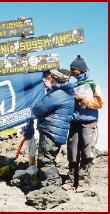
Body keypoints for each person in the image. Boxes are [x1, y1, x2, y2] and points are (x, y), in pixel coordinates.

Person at [63, 55, 104, 192]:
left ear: (81, 70)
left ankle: (83, 181)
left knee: (87, 152)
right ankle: (70, 179)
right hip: (73, 123)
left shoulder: (93, 84)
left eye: (75, 70)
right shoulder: (72, 85)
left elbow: (100, 103)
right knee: (72, 151)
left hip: (88, 123)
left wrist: (84, 100)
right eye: (71, 70)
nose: (73, 73)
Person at [32, 68, 75, 188]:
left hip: (50, 131)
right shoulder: (67, 92)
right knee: (49, 159)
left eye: (52, 78)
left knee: (45, 160)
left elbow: (38, 109)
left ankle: (52, 188)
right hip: (55, 132)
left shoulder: (58, 94)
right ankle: (49, 185)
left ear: (57, 79)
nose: (49, 80)